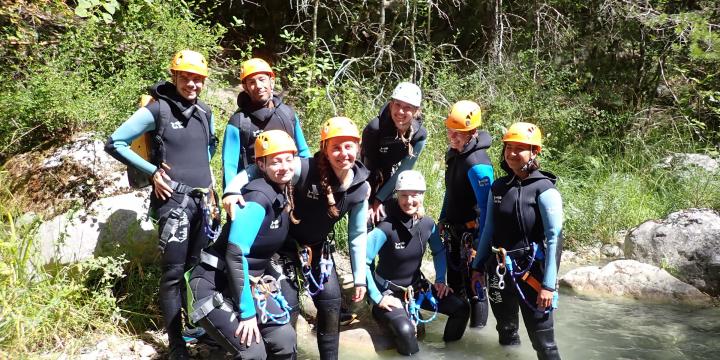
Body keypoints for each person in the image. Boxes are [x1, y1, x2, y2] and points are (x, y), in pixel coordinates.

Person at [225, 117, 369, 360]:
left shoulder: (360, 187)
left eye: (348, 146)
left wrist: (360, 278)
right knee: (287, 307)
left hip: (317, 250)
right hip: (283, 249)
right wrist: (232, 189)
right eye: (335, 147)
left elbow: (357, 234)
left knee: (331, 305)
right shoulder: (305, 168)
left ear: (358, 147)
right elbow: (255, 169)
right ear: (325, 149)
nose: (343, 153)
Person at [104, 50, 217, 359]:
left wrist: (210, 185)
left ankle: (198, 325)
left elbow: (209, 148)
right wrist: (153, 171)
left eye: (198, 79)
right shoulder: (158, 110)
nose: (192, 84)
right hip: (174, 202)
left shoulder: (206, 112)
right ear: (174, 76)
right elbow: (115, 142)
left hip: (203, 201)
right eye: (186, 78)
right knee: (173, 272)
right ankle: (176, 344)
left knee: (198, 269)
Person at [187, 130, 299, 359]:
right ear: (261, 164)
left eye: (289, 159)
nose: (284, 167)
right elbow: (235, 255)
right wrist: (248, 314)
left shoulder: (282, 191)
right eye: (276, 161)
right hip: (213, 284)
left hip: (246, 284)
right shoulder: (257, 198)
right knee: (253, 352)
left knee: (285, 340)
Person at [470, 122, 562, 360]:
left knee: (544, 344)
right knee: (506, 331)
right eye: (508, 147)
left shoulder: (544, 189)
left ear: (534, 151)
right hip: (500, 273)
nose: (511, 153)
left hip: (533, 277)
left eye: (518, 148)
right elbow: (489, 228)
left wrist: (549, 285)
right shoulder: (499, 187)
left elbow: (554, 238)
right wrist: (477, 267)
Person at [365, 170, 469, 356]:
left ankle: (450, 354)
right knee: (406, 331)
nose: (409, 201)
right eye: (404, 195)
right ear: (397, 195)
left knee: (461, 309)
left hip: (417, 288)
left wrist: (440, 280)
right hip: (388, 293)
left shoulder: (427, 224)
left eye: (415, 195)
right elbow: (363, 262)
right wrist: (377, 297)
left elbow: (438, 251)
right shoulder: (386, 227)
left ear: (422, 195)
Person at [439, 100, 493, 329]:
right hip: (454, 231)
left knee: (476, 288)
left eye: (459, 133)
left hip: (472, 234)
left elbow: (488, 208)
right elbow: (450, 192)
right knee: (456, 284)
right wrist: (443, 217)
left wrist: (480, 247)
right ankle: (460, 332)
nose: (453, 137)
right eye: (451, 131)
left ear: (473, 132)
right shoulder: (455, 154)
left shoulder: (477, 164)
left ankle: (477, 334)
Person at [222, 57, 310, 190]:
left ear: (272, 81)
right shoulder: (239, 122)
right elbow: (229, 165)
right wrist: (231, 193)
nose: (258, 86)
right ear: (245, 87)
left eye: (262, 79)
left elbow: (303, 152)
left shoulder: (287, 114)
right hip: (255, 190)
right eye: (252, 82)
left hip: (290, 187)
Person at [361, 82, 427, 224]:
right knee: (366, 219)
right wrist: (371, 202)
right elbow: (368, 169)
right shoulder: (374, 129)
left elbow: (404, 168)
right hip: (366, 174)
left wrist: (380, 198)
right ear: (391, 105)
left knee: (386, 218)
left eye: (407, 107)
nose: (401, 112)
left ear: (416, 111)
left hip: (390, 173)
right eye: (397, 105)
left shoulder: (419, 135)